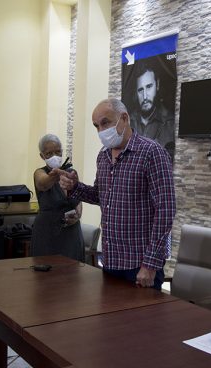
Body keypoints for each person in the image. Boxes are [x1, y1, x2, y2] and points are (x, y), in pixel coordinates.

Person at [55, 98, 176, 290]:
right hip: (111, 261)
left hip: (139, 264)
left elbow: (166, 210)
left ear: (124, 118)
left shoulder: (152, 153)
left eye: (106, 122)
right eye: (97, 126)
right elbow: (100, 196)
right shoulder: (103, 156)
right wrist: (75, 186)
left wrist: (150, 264)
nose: (101, 131)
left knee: (140, 320)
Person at [30, 134, 85, 262]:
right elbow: (43, 184)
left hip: (71, 232)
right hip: (47, 232)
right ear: (42, 156)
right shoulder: (40, 172)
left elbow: (78, 198)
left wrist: (77, 215)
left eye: (58, 152)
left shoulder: (71, 171)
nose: (54, 156)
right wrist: (57, 173)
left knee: (73, 273)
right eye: (49, 153)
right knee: (46, 273)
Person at [129, 61, 175, 160]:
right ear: (136, 92)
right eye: (140, 90)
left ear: (157, 85)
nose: (145, 96)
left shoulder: (170, 123)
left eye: (149, 87)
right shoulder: (128, 122)